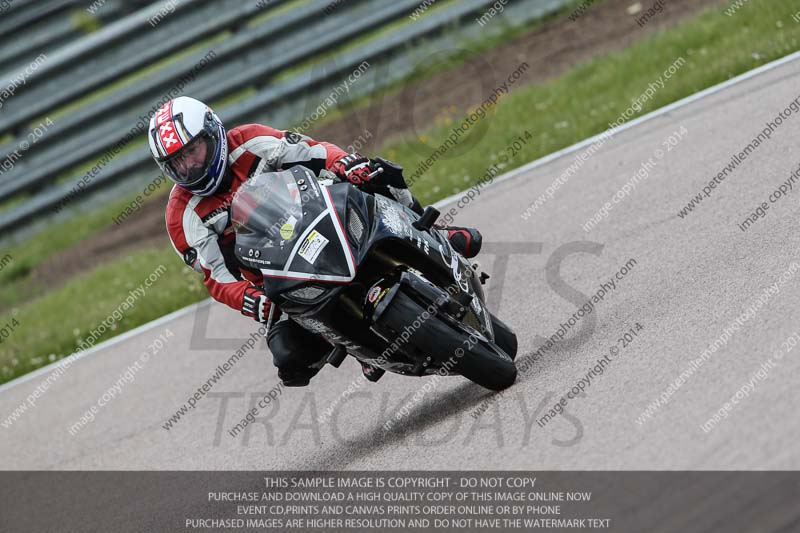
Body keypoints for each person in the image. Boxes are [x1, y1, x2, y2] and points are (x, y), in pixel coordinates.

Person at [149, 96, 482, 386]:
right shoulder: (182, 217)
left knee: (378, 174)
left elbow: (313, 152)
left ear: (213, 134)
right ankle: (356, 344)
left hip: (321, 221)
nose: (190, 166)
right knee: (290, 360)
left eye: (193, 151)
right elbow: (217, 277)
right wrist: (251, 300)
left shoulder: (250, 141)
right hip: (276, 280)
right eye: (178, 162)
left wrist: (343, 164)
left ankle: (434, 234)